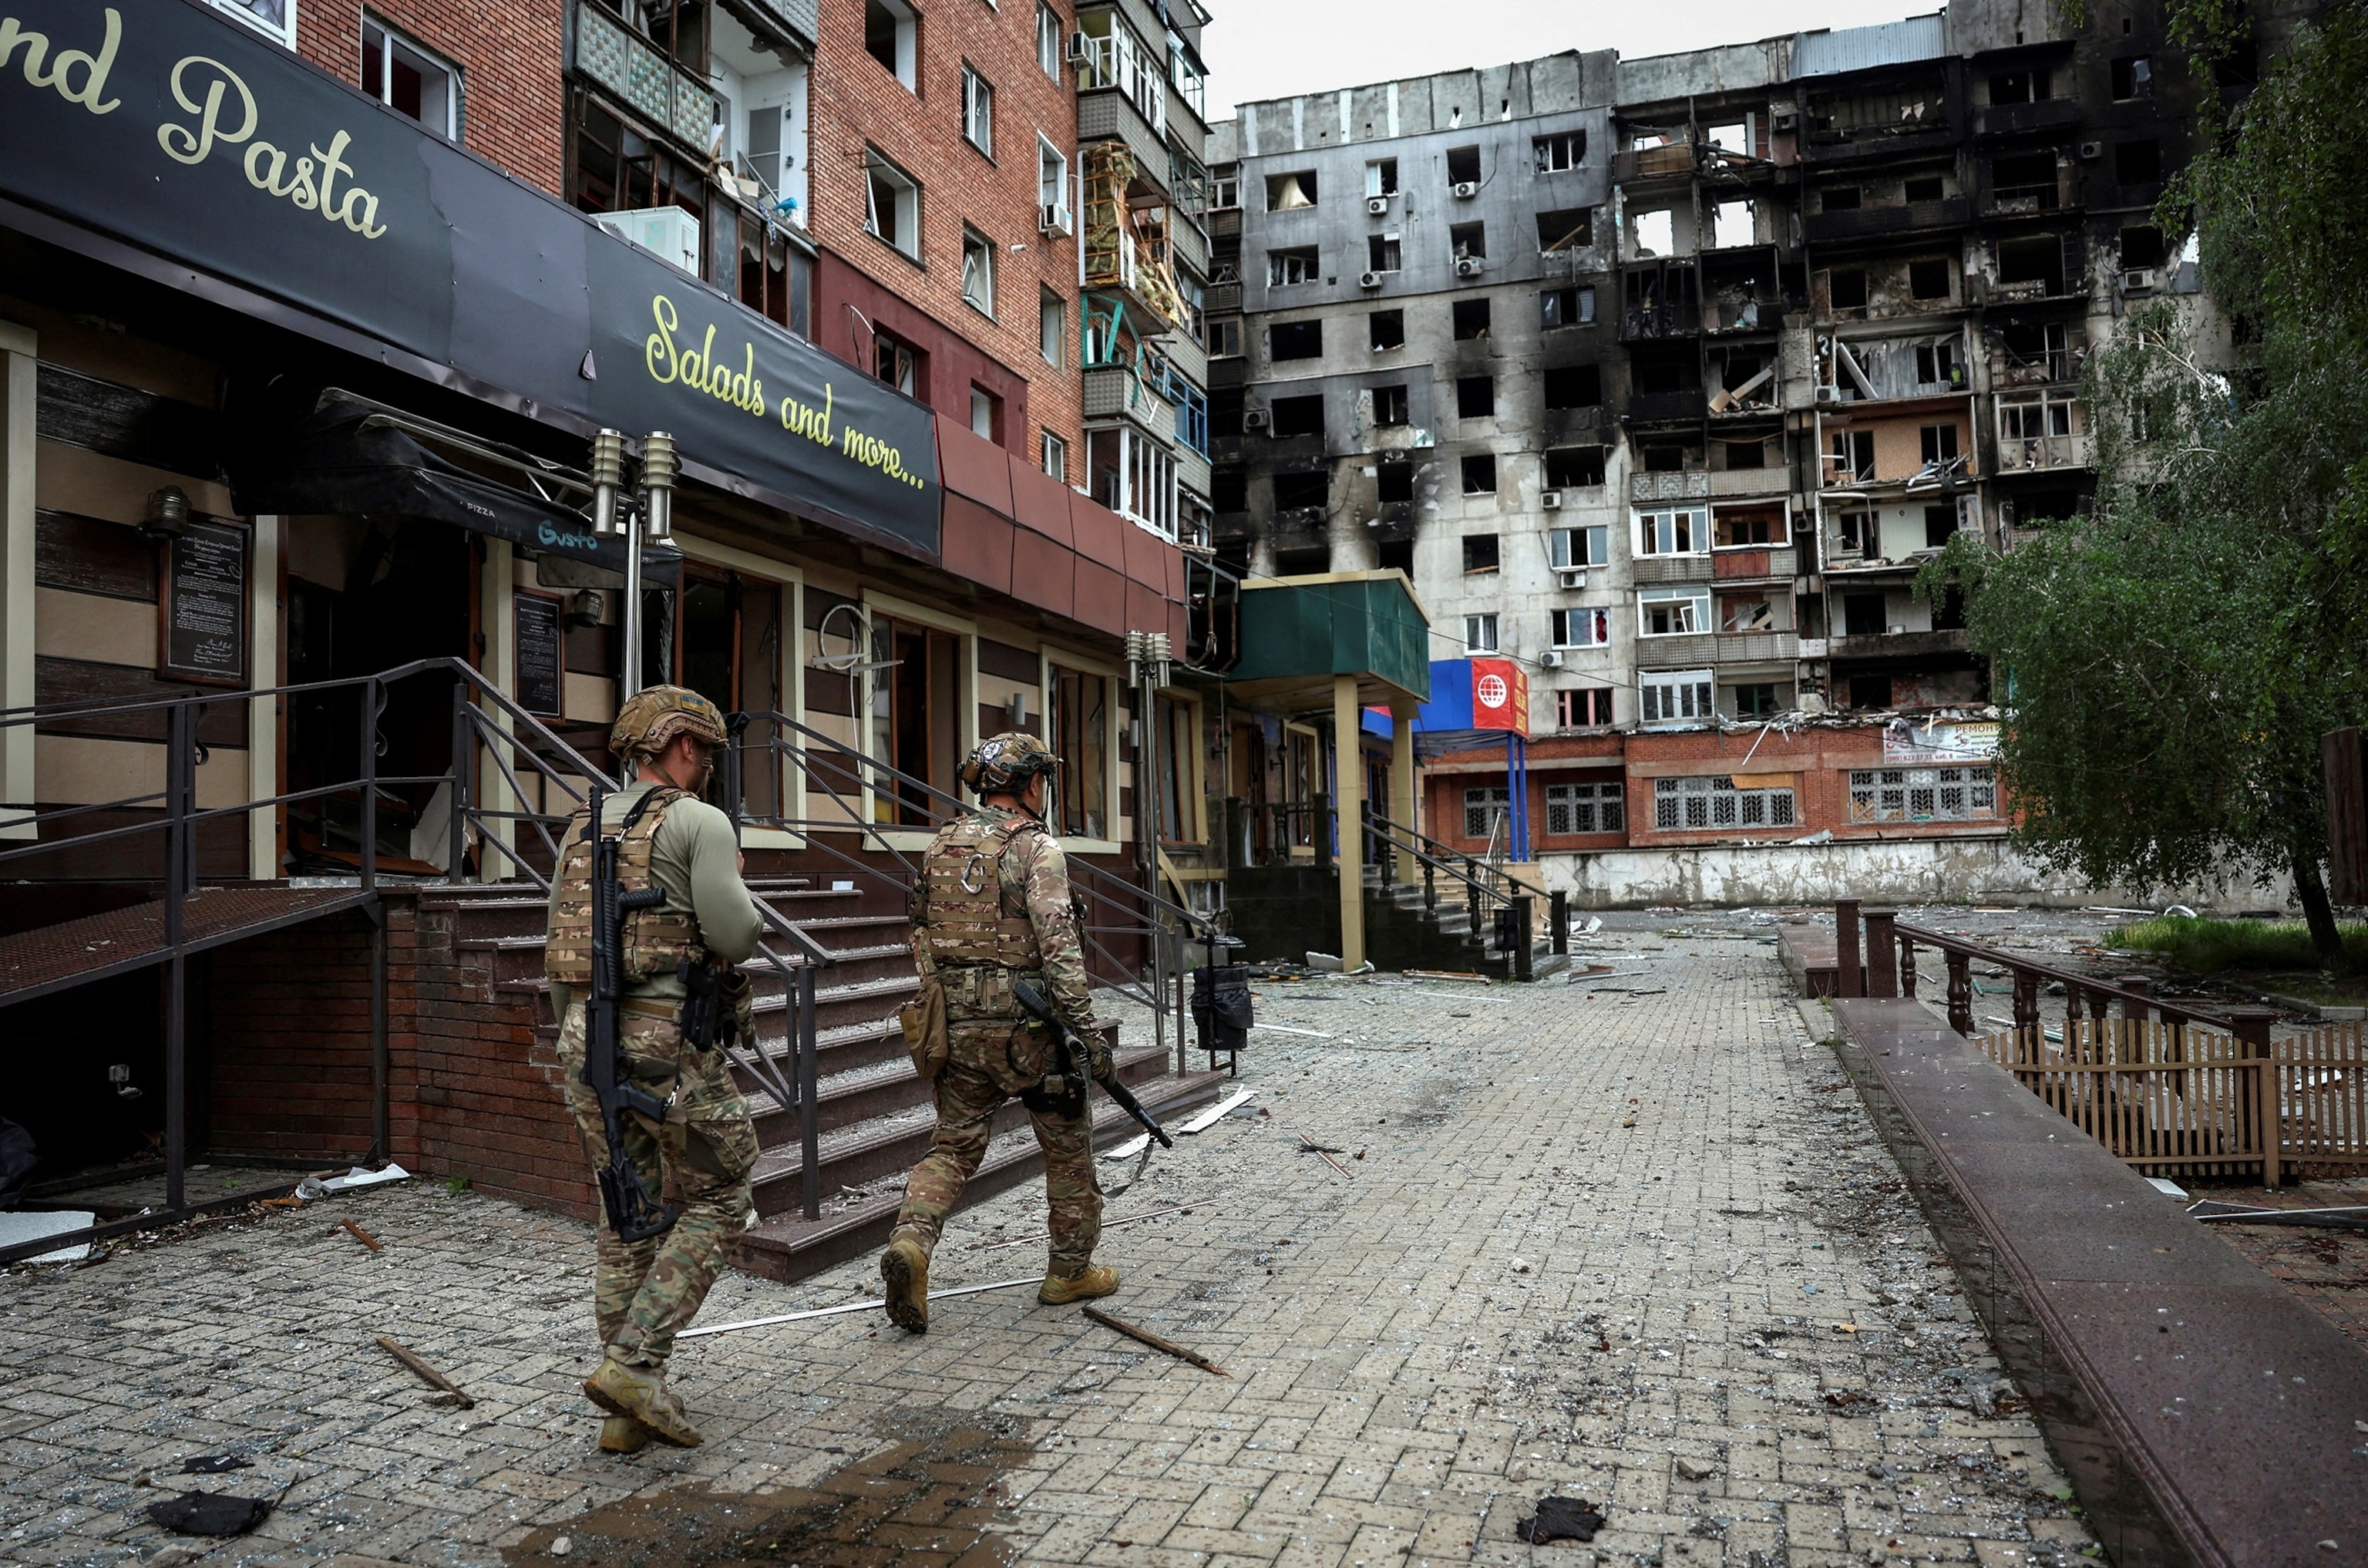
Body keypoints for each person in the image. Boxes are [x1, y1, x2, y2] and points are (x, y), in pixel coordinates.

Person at [545, 685, 763, 1452]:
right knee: (723, 1191)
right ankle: (636, 1368)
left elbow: (560, 950)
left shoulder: (578, 826)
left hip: (585, 1036)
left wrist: (576, 1037)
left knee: (625, 1210)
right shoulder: (699, 820)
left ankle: (621, 1414)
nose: (703, 765)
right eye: (701, 751)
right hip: (667, 1041)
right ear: (679, 748)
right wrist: (735, 877)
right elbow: (735, 935)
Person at [880, 732, 1118, 1332]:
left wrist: (948, 1001)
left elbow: (920, 935)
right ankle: (1069, 1271)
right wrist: (1087, 1034)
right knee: (1067, 1146)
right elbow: (1059, 945)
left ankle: (912, 1243)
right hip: (1032, 1028)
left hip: (959, 1028)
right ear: (1033, 784)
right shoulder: (1037, 847)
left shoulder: (940, 847)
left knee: (953, 1147)